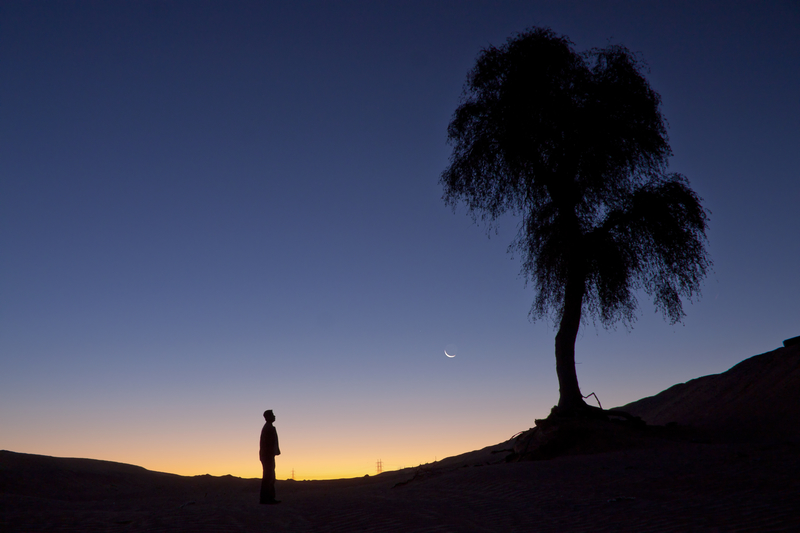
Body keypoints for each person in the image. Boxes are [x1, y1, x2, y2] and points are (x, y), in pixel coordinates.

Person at [259, 409, 281, 504]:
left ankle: (268, 498)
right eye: (272, 415)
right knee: (269, 476)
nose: (274, 416)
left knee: (270, 476)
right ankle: (267, 499)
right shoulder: (268, 428)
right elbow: (267, 444)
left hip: (268, 455)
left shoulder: (269, 427)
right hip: (267, 456)